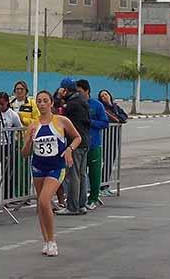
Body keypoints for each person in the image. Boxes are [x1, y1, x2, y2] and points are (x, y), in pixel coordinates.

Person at [22, 90, 82, 257]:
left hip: (57, 166)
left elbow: (78, 137)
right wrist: (28, 141)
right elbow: (25, 153)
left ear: (51, 103)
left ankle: (52, 240)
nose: (41, 103)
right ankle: (46, 241)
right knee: (41, 206)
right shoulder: (33, 125)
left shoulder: (61, 121)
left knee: (44, 199)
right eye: (39, 101)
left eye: (45, 100)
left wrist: (69, 149)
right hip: (38, 167)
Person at [55, 78, 91, 216]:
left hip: (74, 143)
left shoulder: (71, 105)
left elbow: (58, 115)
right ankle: (82, 204)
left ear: (65, 90)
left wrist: (58, 98)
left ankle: (72, 206)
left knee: (73, 175)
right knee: (81, 174)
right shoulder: (82, 101)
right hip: (85, 141)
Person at [76, 79, 109, 210]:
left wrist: (91, 122)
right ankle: (80, 198)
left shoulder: (96, 105)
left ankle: (93, 198)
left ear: (87, 91)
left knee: (94, 173)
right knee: (80, 173)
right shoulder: (75, 104)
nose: (77, 94)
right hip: (80, 144)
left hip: (94, 144)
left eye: (80, 92)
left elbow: (105, 123)